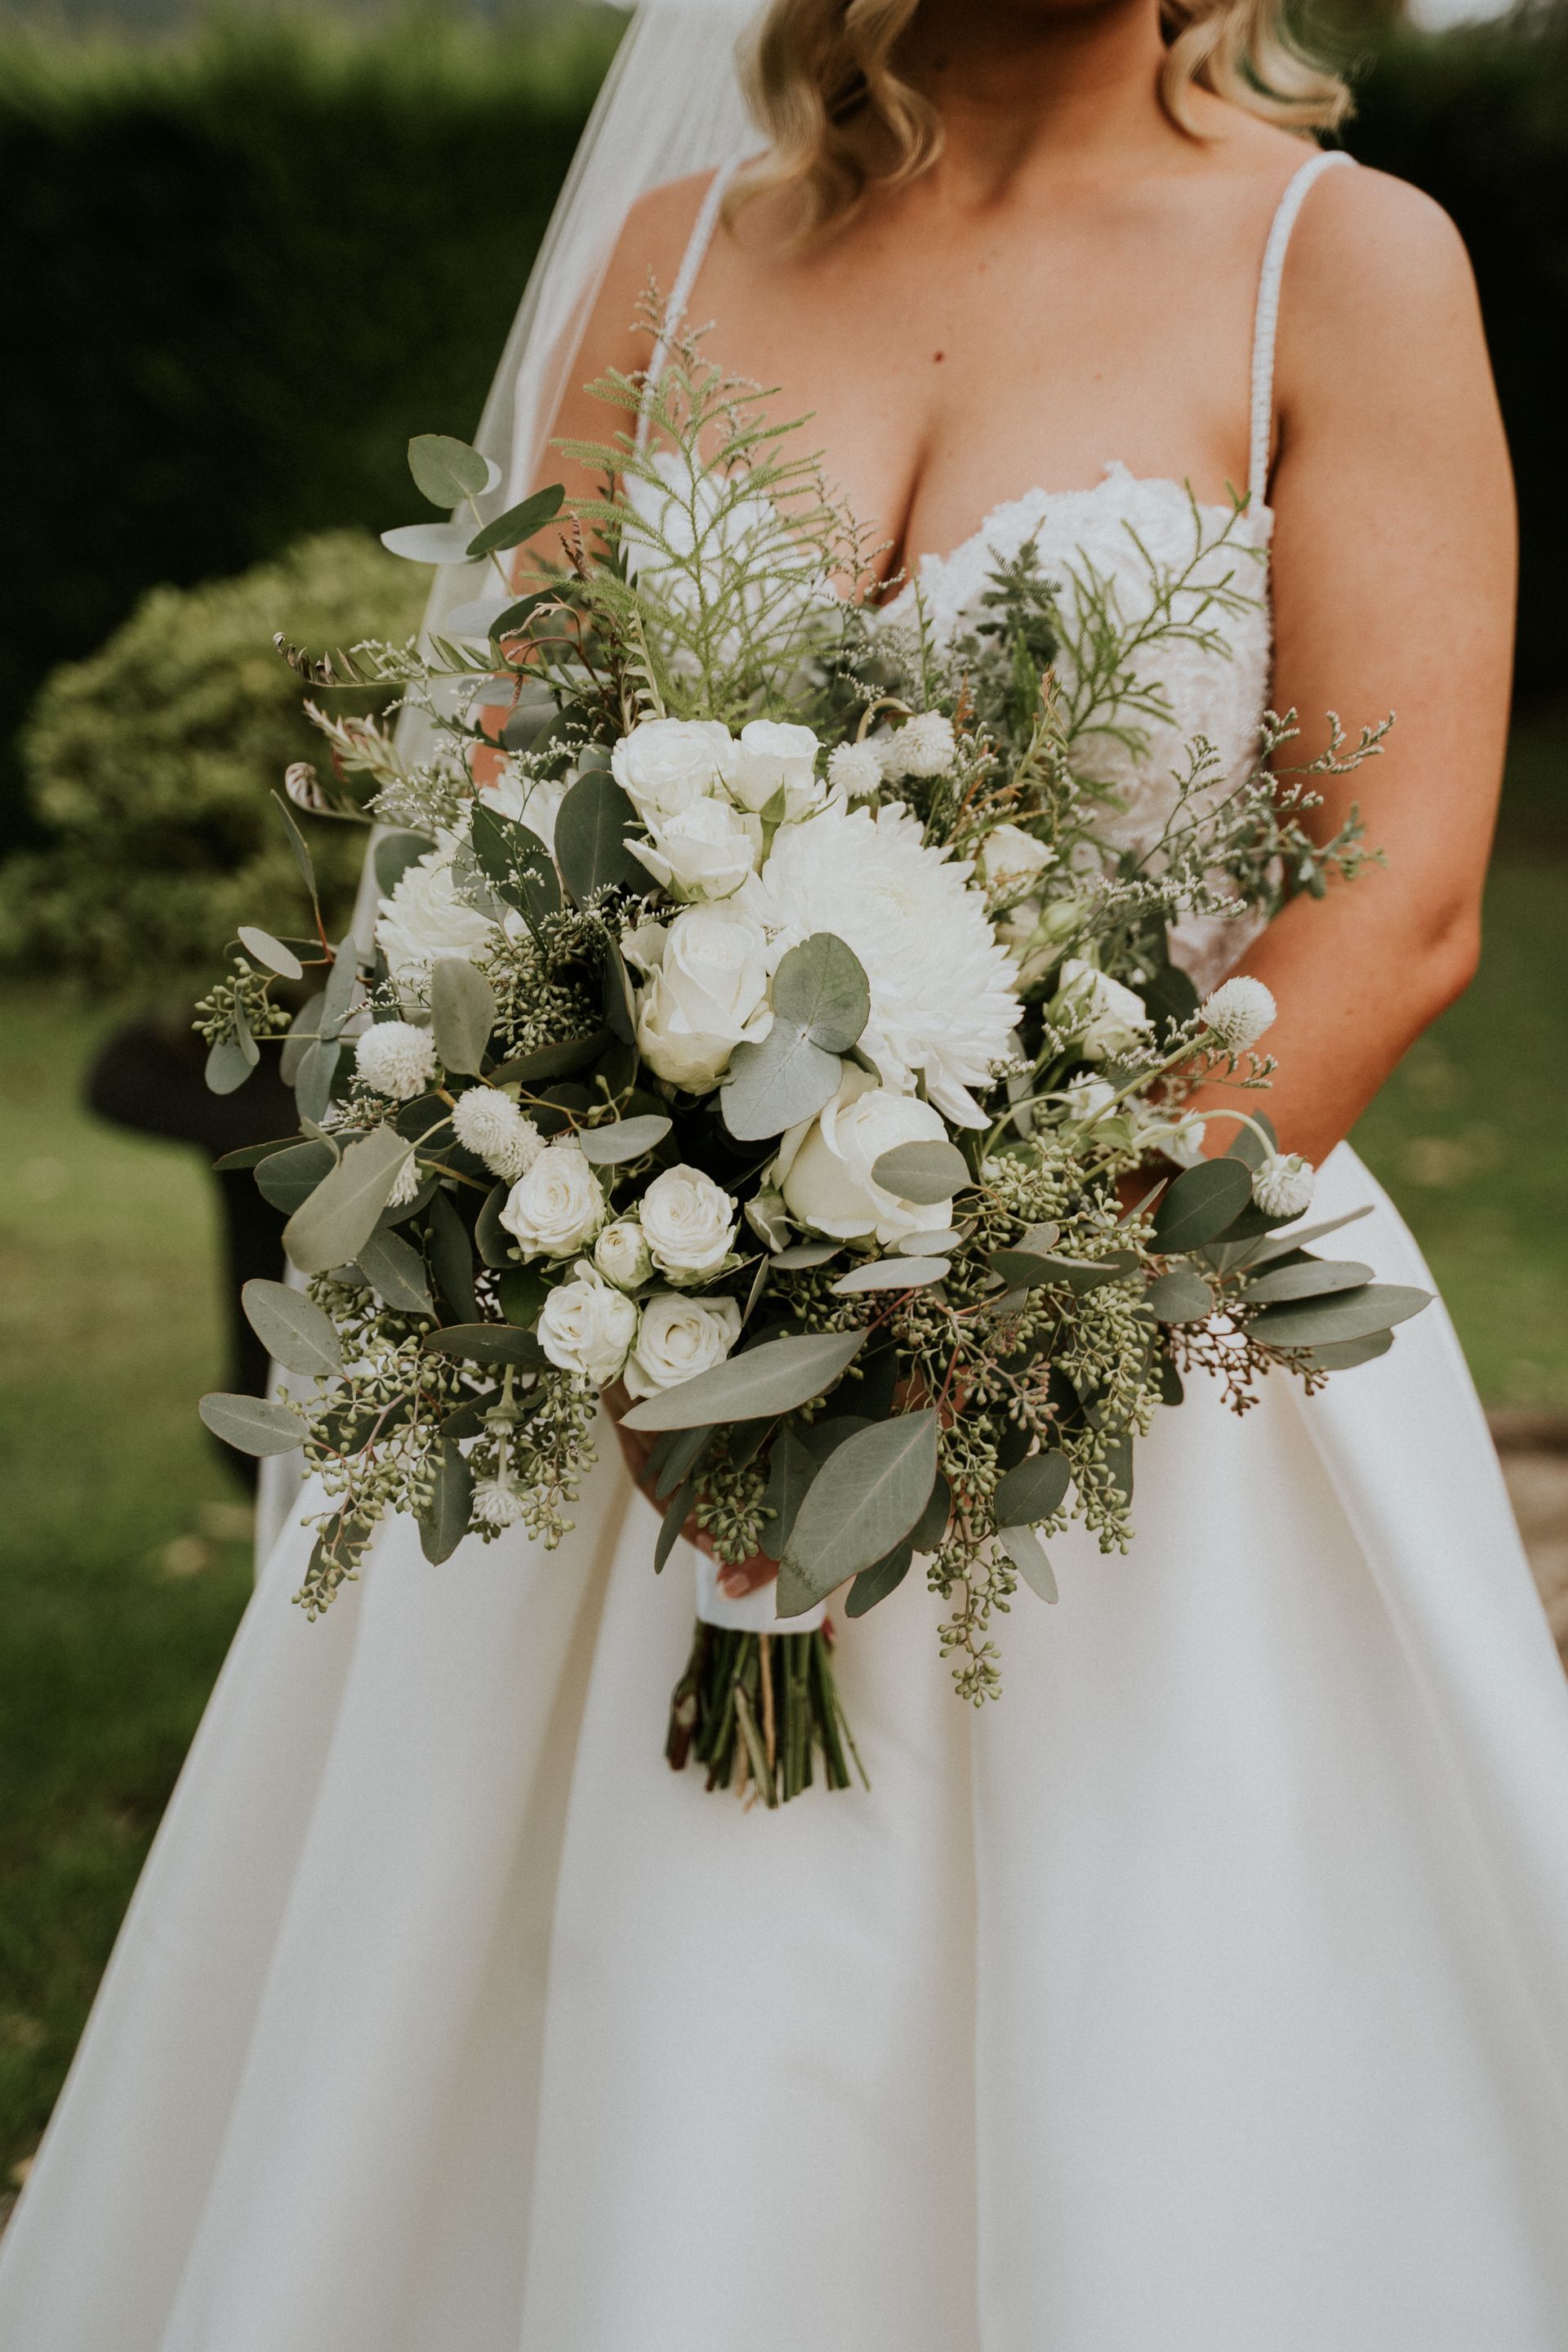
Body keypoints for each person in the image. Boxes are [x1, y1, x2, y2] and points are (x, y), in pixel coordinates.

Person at [4, 2, 1566, 2345]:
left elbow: (1397, 899)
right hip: (620, 1348)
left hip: (1144, 1354)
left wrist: (991, 1318)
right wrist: (600, 1215)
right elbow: (517, 808)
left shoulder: (1341, 261)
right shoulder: (676, 258)